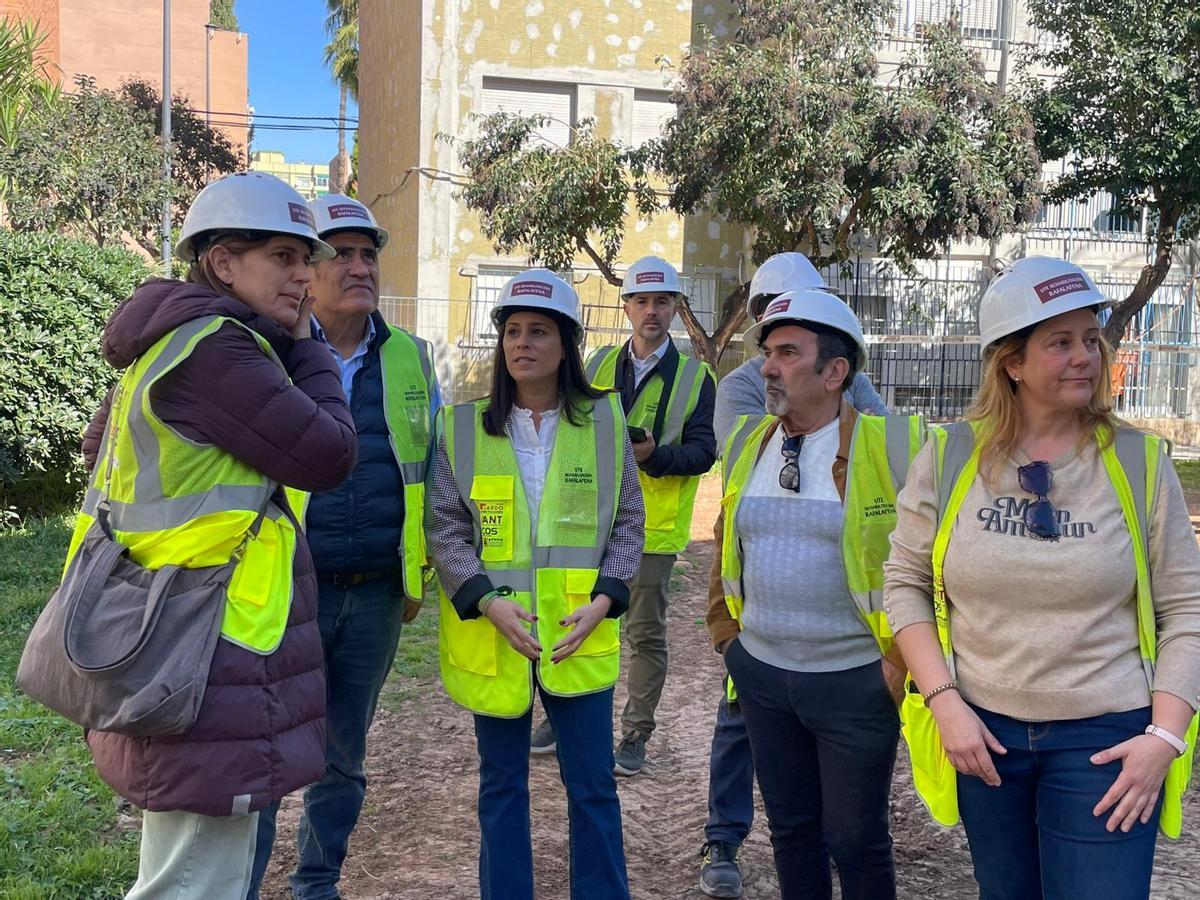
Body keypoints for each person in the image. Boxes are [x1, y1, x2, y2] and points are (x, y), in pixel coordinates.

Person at [73, 171, 357, 899]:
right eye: (283, 258)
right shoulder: (216, 352)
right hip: (203, 647)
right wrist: (309, 348)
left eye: (307, 258)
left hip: (158, 632)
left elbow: (96, 444)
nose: (305, 275)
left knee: (188, 867)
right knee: (194, 882)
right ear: (224, 262)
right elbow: (329, 453)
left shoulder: (169, 344)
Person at [884, 256, 1200, 900]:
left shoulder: (1139, 462)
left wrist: (1163, 739)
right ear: (1013, 362)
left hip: (1105, 741)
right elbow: (905, 583)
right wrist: (945, 703)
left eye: (1092, 339)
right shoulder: (949, 457)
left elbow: (1187, 610)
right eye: (1060, 342)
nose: (1085, 356)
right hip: (984, 737)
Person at [426, 268, 644, 899]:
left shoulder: (605, 422)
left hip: (579, 636)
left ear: (567, 344)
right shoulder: (463, 429)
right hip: (499, 643)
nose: (522, 343)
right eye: (512, 331)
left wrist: (606, 600)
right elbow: (443, 529)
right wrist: (487, 603)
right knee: (501, 787)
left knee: (594, 787)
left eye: (539, 331)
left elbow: (629, 520)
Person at [247, 194, 440, 898]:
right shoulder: (268, 352)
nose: (359, 267)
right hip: (283, 591)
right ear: (309, 269)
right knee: (266, 755)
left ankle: (315, 881)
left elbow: (435, 469)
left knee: (343, 757)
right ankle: (242, 879)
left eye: (368, 254)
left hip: (377, 593)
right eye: (341, 254)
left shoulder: (413, 359)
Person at [706, 288, 924, 900]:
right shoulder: (752, 443)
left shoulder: (891, 447)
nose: (768, 366)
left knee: (856, 839)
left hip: (855, 680)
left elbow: (934, 562)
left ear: (835, 372)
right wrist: (731, 643)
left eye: (787, 353)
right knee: (792, 833)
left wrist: (895, 664)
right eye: (768, 352)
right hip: (765, 678)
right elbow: (726, 543)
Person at [532, 255, 715, 777]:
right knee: (568, 620)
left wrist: (654, 456)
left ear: (677, 309)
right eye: (642, 301)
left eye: (662, 302)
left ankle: (634, 735)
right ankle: (561, 717)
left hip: (653, 532)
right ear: (627, 305)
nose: (651, 311)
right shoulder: (598, 367)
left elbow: (704, 453)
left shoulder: (697, 378)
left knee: (643, 634)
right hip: (587, 522)